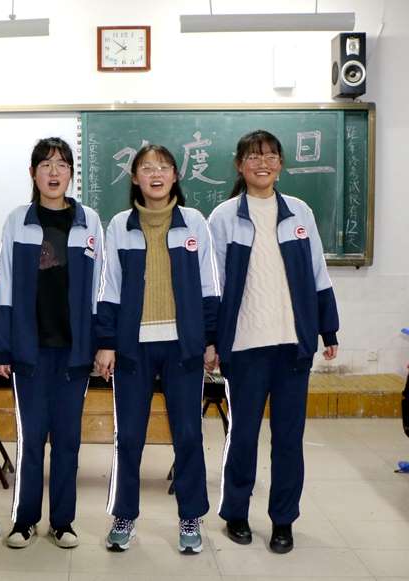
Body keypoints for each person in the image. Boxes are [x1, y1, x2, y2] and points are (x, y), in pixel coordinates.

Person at [208, 130, 339, 554]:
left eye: (269, 157)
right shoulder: (224, 217)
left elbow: (317, 271)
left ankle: (283, 520)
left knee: (288, 439)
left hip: (292, 345)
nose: (261, 164)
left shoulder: (299, 212)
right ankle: (236, 513)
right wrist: (212, 340)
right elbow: (213, 284)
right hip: (244, 346)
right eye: (253, 156)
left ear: (281, 164)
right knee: (243, 436)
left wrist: (328, 328)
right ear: (239, 165)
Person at [95, 144, 219, 554]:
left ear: (175, 176)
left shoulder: (194, 223)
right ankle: (124, 516)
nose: (156, 174)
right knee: (129, 436)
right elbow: (109, 286)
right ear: (135, 178)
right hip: (133, 349)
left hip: (184, 347)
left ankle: (190, 517)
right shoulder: (120, 225)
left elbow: (209, 285)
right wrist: (106, 342)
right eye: (147, 168)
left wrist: (210, 339)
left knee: (188, 435)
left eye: (164, 167)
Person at [0, 137, 103, 549]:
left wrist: (101, 344)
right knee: (32, 439)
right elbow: (4, 285)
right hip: (30, 350)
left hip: (75, 351)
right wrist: (3, 346)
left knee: (68, 441)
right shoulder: (18, 220)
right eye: (45, 164)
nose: (54, 172)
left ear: (71, 173)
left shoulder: (89, 221)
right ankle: (24, 520)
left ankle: (63, 521)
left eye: (62, 164)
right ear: (33, 173)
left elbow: (100, 286)